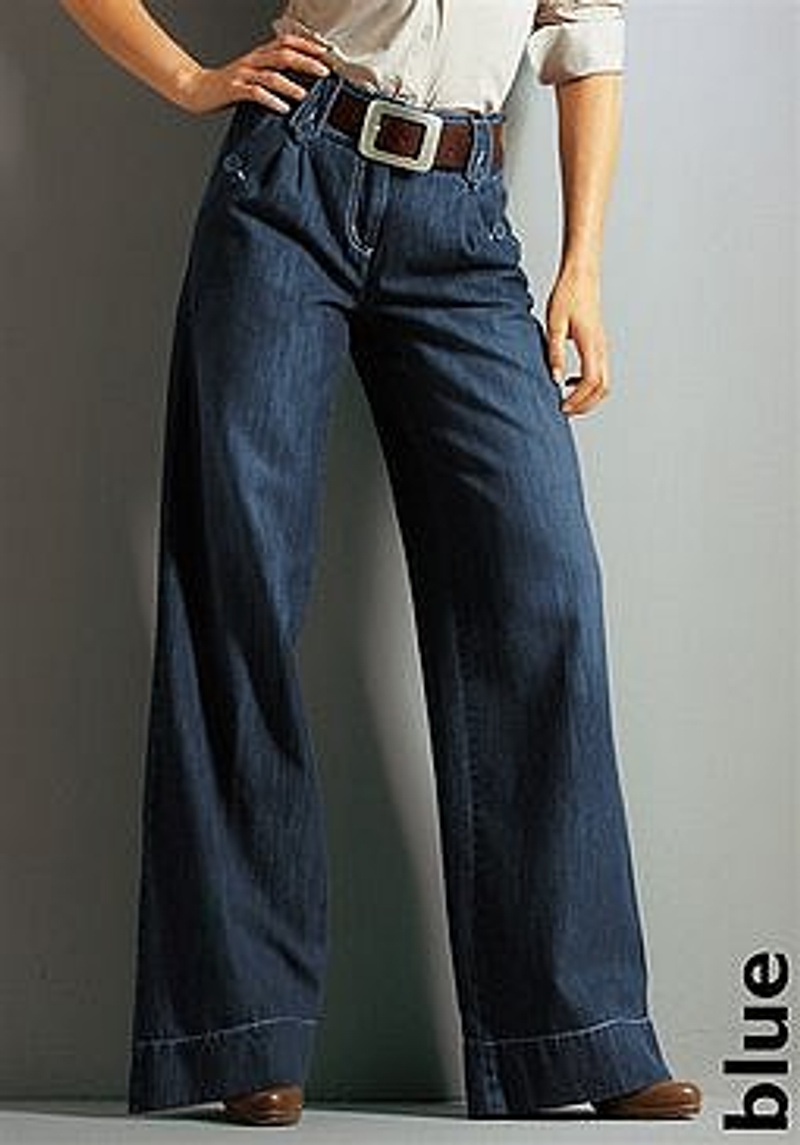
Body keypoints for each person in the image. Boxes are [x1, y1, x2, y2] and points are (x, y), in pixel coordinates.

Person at [58, 0, 702, 1128]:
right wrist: (188, 78)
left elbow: (585, 37)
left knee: (543, 588)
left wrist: (582, 265)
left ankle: (571, 1030)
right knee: (238, 583)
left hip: (463, 221)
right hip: (290, 181)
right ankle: (240, 1030)